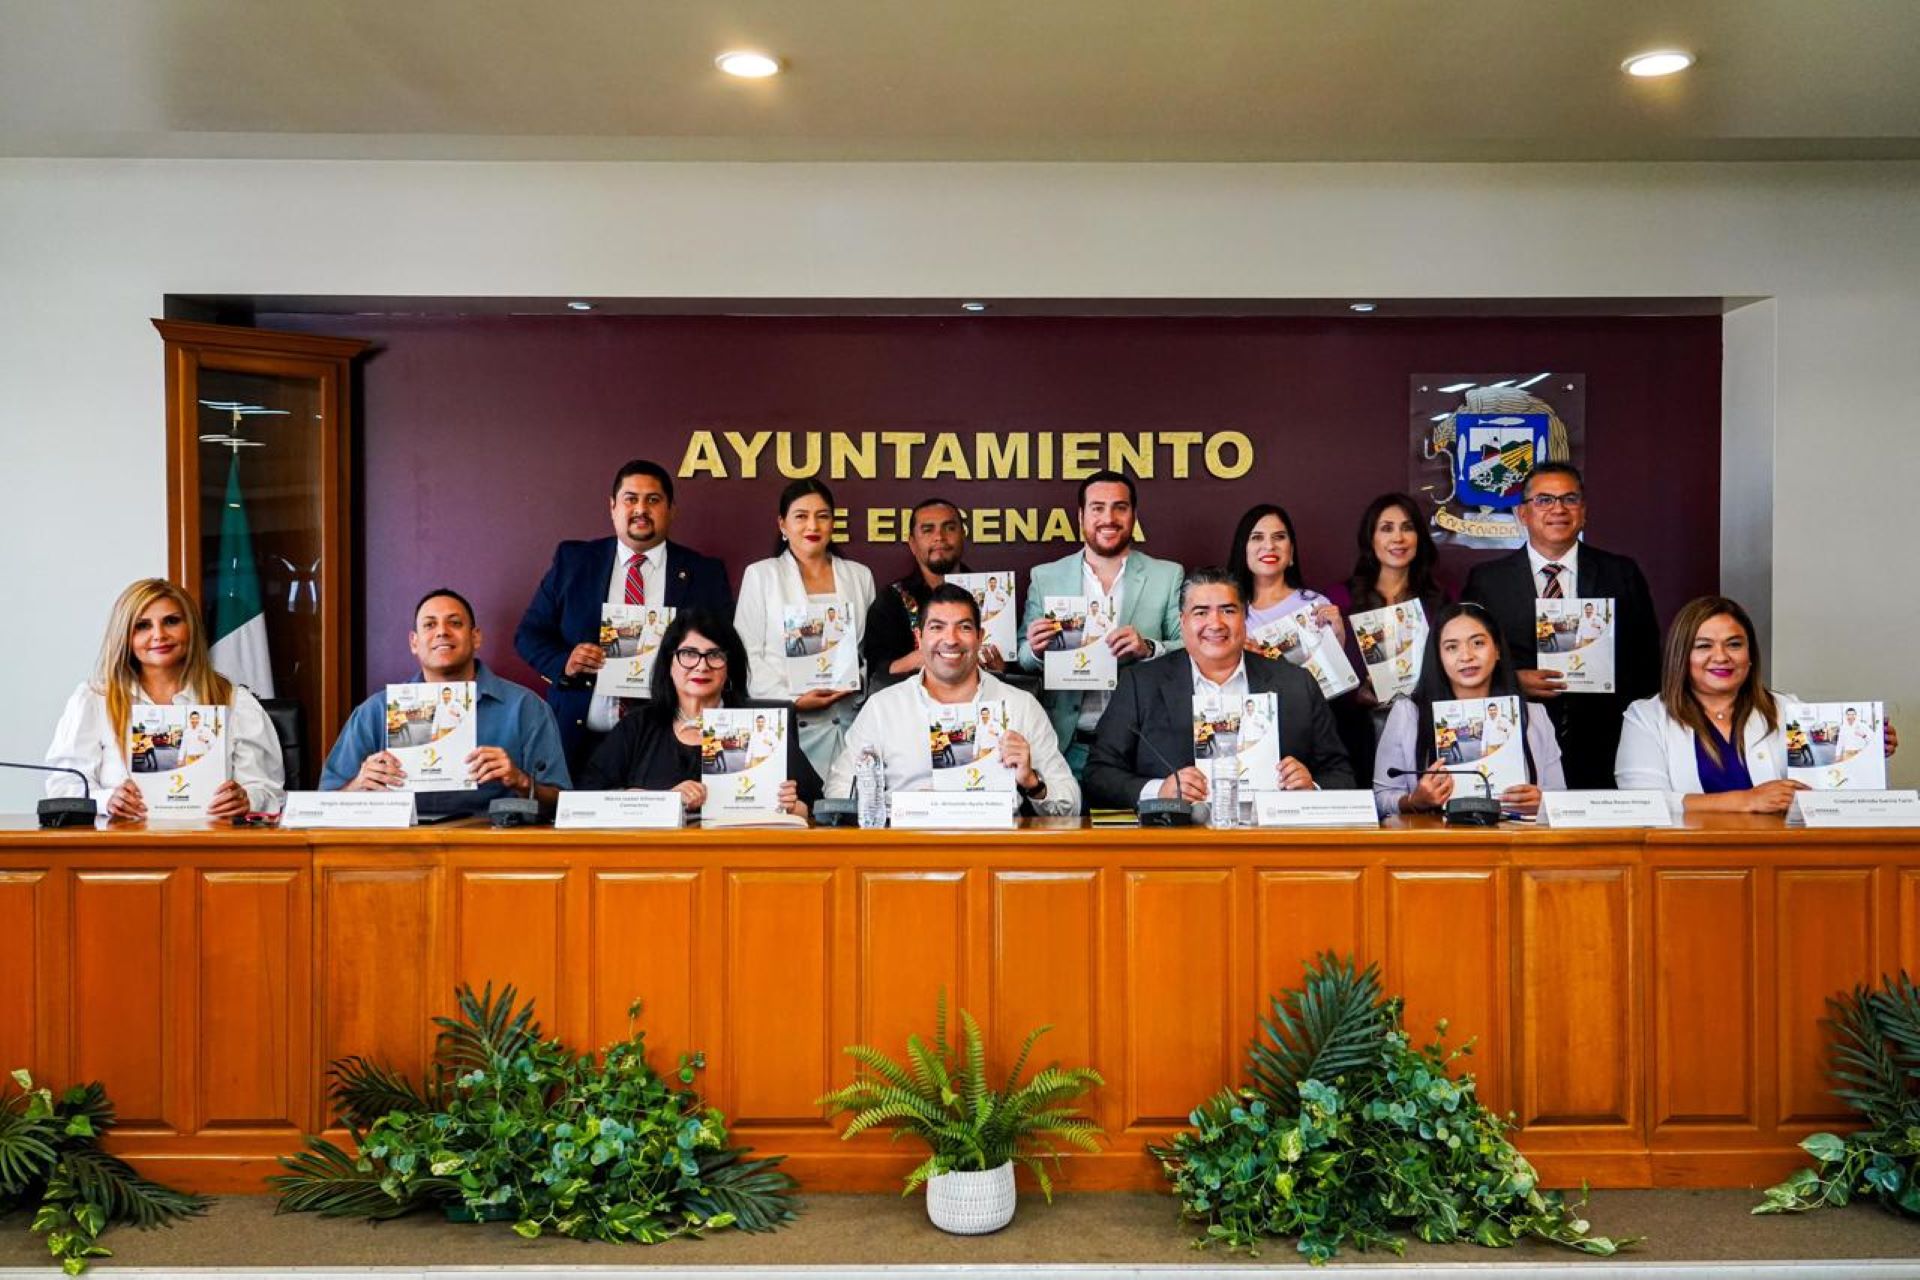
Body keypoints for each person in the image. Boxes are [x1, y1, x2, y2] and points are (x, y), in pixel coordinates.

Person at [514, 458, 734, 776]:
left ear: (672, 509)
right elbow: (529, 635)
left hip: (665, 746)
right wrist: (565, 662)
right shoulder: (574, 561)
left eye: (653, 500)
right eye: (631, 499)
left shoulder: (705, 573)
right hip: (580, 738)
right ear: (613, 506)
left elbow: (724, 650)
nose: (640, 509)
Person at [1082, 566, 1354, 811]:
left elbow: (1341, 774)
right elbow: (1099, 774)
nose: (1215, 623)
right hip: (1176, 850)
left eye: (1228, 610)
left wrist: (1312, 788)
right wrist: (1159, 791)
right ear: (1183, 620)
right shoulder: (1140, 684)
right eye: (1201, 612)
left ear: (1245, 617)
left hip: (1270, 848)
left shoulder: (1296, 683)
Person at [1463, 462, 1660, 789]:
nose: (1558, 509)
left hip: (1606, 741)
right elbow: (1465, 662)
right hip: (1522, 741)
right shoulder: (1487, 582)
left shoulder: (1620, 573)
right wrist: (1512, 681)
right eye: (1544, 500)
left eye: (1569, 499)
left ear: (1583, 511)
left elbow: (1646, 661)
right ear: (1522, 514)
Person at [1615, 596, 1897, 812]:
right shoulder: (1646, 717)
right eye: (1703, 646)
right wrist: (1745, 800)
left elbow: (1822, 782)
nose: (1721, 656)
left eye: (1734, 644)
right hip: (1685, 864)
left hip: (1780, 860)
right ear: (1681, 656)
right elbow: (1641, 802)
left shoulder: (1787, 709)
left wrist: (1865, 751)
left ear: (1750, 655)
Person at [46, 578, 285, 819]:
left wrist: (247, 799)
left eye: (171, 621)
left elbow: (268, 790)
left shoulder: (235, 701)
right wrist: (106, 800)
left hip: (211, 848)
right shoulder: (94, 700)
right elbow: (62, 787)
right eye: (142, 626)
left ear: (190, 627)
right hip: (121, 848)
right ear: (124, 636)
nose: (159, 635)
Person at [828, 585, 1079, 815]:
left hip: (994, 848)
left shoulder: (1019, 705)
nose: (950, 639)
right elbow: (839, 790)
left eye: (964, 627)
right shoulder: (883, 708)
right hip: (906, 848)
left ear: (980, 637)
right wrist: (889, 810)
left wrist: (1033, 782)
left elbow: (1072, 805)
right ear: (920, 637)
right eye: (937, 627)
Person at [324, 589, 570, 817]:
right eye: (430, 624)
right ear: (414, 642)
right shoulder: (375, 711)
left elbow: (563, 806)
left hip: (493, 848)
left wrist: (520, 780)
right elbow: (325, 805)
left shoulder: (525, 708)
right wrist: (359, 784)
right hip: (399, 849)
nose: (442, 632)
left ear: (476, 637)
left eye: (455, 623)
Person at [578, 609, 818, 817]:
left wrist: (794, 808)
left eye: (714, 655)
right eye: (689, 654)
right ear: (669, 663)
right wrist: (663, 801)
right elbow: (586, 800)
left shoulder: (761, 726)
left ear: (729, 667)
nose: (701, 666)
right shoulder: (638, 725)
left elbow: (819, 805)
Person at [1020, 471, 1184, 775]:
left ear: (1134, 515)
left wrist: (1148, 648)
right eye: (1097, 508)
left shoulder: (1167, 575)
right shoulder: (1046, 577)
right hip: (1067, 746)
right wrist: (1036, 649)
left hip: (1141, 746)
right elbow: (1023, 659)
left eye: (1120, 507)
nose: (1108, 518)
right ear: (1081, 515)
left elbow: (1190, 648)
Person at [736, 479, 878, 777]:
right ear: (783, 525)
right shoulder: (762, 575)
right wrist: (793, 701)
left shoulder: (859, 575)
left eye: (822, 516)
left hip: (849, 719)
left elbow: (868, 651)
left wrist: (852, 682)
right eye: (801, 516)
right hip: (788, 724)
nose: (812, 525)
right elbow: (746, 653)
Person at [1372, 603, 1563, 818]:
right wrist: (1414, 801)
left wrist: (1543, 803)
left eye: (1478, 643)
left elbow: (1561, 797)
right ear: (1438, 656)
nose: (1466, 656)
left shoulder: (1535, 715)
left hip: (1513, 842)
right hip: (1436, 842)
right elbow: (1381, 798)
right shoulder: (1408, 714)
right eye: (1452, 647)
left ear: (1497, 649)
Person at [863, 497, 1007, 683]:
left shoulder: (990, 594)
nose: (939, 536)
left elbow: (1014, 669)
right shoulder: (891, 600)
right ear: (912, 543)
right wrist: (921, 658)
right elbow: (876, 673)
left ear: (963, 536)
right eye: (928, 530)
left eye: (949, 527)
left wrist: (1001, 670)